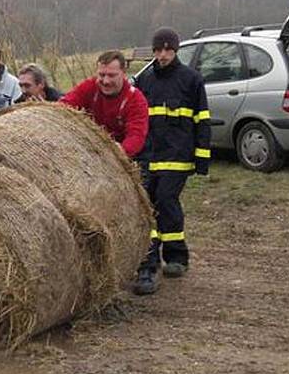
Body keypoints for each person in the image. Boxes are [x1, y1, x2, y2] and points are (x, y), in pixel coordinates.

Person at [133, 28, 210, 294]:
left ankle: (177, 257)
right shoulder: (145, 80)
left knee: (166, 200)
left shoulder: (191, 79)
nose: (162, 55)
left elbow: (202, 120)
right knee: (147, 206)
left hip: (177, 157)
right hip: (150, 157)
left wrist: (202, 158)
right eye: (158, 50)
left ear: (175, 50)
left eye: (167, 50)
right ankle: (150, 259)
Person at [59, 50, 148, 159]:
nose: (106, 81)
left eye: (111, 75)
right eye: (101, 75)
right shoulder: (89, 87)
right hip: (89, 149)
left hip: (121, 157)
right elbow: (64, 106)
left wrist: (117, 153)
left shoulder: (136, 100)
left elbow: (136, 136)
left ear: (123, 73)